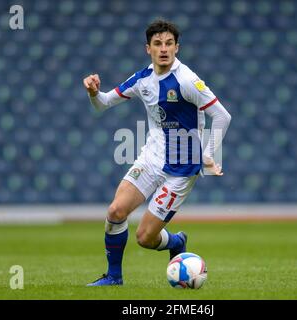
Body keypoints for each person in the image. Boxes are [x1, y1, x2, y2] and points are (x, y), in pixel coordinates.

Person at [83, 19, 231, 286]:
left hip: (182, 168)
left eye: (169, 43)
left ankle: (176, 241)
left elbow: (222, 116)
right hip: (151, 158)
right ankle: (114, 277)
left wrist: (208, 155)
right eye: (158, 44)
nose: (164, 49)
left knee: (145, 238)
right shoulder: (142, 79)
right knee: (116, 212)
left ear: (177, 48)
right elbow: (103, 103)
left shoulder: (187, 80)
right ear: (148, 48)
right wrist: (94, 92)